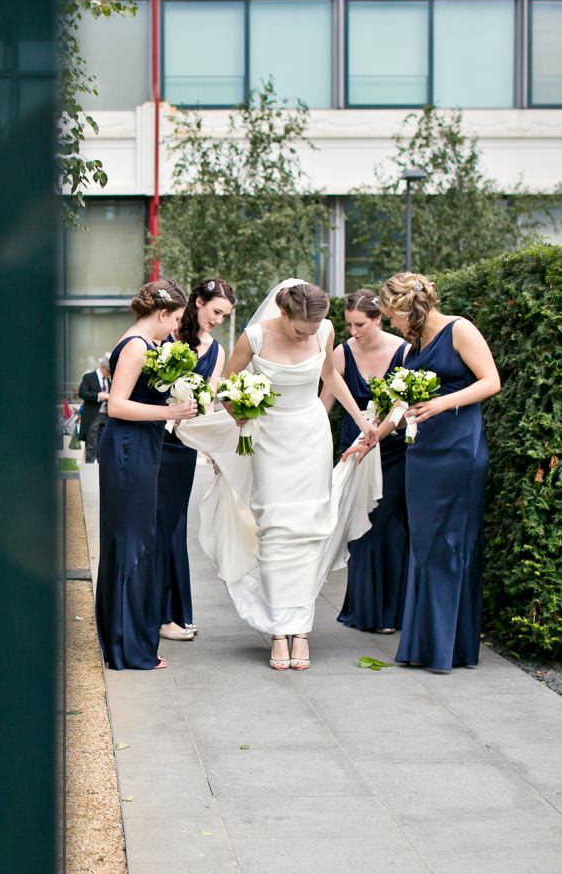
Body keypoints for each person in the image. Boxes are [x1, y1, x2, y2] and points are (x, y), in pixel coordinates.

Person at [176, 280, 380, 672]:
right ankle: (277, 630)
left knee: (309, 528)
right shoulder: (253, 337)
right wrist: (238, 409)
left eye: (314, 329)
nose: (309, 335)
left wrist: (359, 421)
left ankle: (299, 630)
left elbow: (330, 377)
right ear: (283, 313)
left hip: (310, 436)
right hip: (269, 438)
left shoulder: (324, 329)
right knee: (275, 527)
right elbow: (224, 387)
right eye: (301, 329)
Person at [377, 272, 501, 673]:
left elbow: (491, 381)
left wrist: (444, 403)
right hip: (421, 452)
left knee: (450, 542)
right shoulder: (411, 349)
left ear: (404, 309)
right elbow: (400, 407)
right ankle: (425, 643)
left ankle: (447, 647)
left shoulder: (459, 329)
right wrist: (371, 438)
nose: (390, 325)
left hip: (458, 449)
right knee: (425, 543)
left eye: (390, 317)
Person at [95, 280, 196, 671]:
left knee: (140, 539)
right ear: (160, 314)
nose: (174, 328)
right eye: (173, 319)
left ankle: (133, 639)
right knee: (132, 541)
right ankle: (126, 647)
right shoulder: (136, 345)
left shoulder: (149, 345)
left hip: (142, 445)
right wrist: (170, 413)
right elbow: (118, 405)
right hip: (127, 448)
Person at [320, 289, 409, 635]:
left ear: (378, 319)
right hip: (354, 448)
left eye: (360, 324)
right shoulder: (342, 354)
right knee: (362, 526)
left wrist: (384, 430)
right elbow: (324, 405)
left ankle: (393, 612)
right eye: (349, 325)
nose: (353, 331)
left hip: (394, 451)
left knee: (391, 525)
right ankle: (363, 609)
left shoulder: (404, 351)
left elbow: (406, 405)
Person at [154, 278, 236, 642]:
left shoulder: (216, 351)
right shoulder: (164, 337)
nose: (218, 319)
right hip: (152, 436)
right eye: (216, 311)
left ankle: (173, 612)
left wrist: (216, 452)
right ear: (198, 302)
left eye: (225, 315)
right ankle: (152, 612)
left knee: (172, 524)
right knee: (150, 525)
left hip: (182, 448)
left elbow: (209, 405)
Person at [77, 356, 111, 463]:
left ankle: (102, 470)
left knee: (103, 444)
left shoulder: (108, 381)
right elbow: (82, 393)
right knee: (91, 444)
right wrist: (98, 396)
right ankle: (89, 471)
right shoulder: (89, 377)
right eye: (108, 371)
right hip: (92, 415)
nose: (109, 374)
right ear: (102, 367)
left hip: (105, 416)